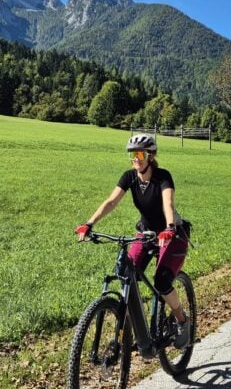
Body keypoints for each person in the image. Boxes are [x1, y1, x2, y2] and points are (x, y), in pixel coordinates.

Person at [77, 133, 191, 349]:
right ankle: (130, 330)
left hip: (172, 235)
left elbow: (168, 203)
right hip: (147, 234)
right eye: (132, 155)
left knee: (162, 281)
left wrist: (169, 228)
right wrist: (89, 223)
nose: (135, 159)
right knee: (126, 274)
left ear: (150, 155)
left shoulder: (162, 176)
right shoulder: (129, 177)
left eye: (139, 154)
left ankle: (182, 321)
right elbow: (111, 201)